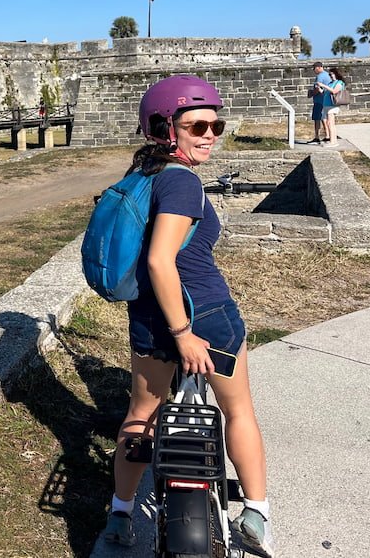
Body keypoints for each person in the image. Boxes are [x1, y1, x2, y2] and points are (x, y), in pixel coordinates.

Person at [101, 75, 275, 557]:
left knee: (141, 414)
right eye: (198, 126)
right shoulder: (181, 181)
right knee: (238, 411)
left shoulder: (142, 174)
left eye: (217, 126)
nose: (210, 135)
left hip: (148, 317)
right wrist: (184, 334)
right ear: (165, 128)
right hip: (204, 316)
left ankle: (120, 513)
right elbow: (161, 260)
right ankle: (257, 515)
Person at [316, 67, 346, 147]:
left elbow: (334, 91)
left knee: (330, 123)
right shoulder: (330, 83)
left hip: (333, 105)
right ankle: (333, 140)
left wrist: (323, 85)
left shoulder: (339, 83)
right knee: (329, 123)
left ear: (336, 74)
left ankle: (333, 142)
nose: (331, 76)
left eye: (332, 74)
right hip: (326, 105)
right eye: (330, 74)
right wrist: (320, 89)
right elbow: (325, 93)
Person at [309, 61, 332, 143]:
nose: (313, 70)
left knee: (317, 118)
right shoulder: (327, 75)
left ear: (319, 67)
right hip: (325, 100)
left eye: (314, 68)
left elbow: (317, 89)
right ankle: (327, 135)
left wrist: (311, 93)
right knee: (324, 117)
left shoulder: (320, 76)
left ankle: (317, 136)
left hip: (319, 100)